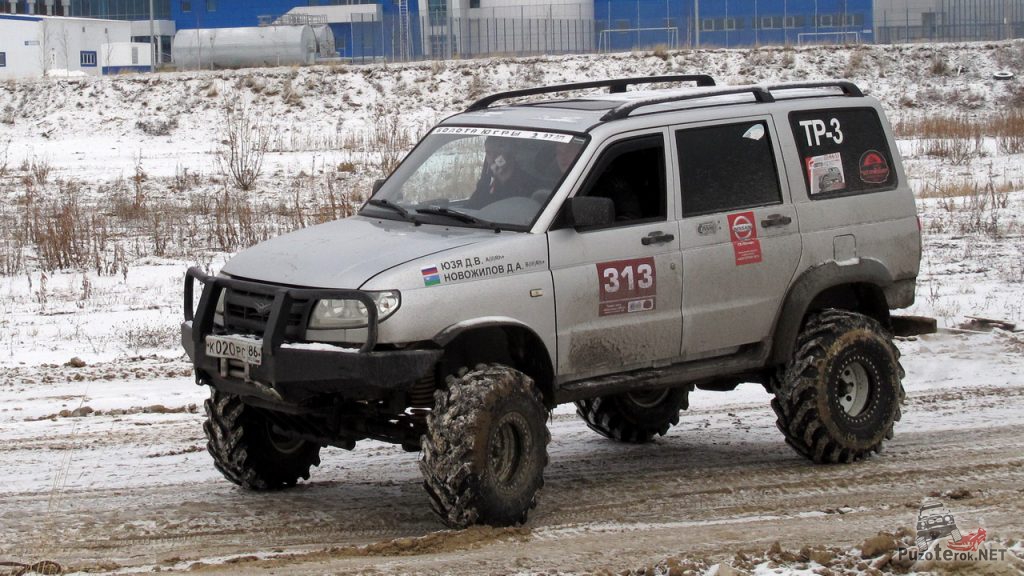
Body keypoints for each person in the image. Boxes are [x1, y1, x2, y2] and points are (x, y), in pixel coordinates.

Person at [467, 137, 542, 209]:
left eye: (498, 152)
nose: (493, 158)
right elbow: (470, 208)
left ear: (512, 153)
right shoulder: (485, 183)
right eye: (489, 153)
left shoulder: (530, 185)